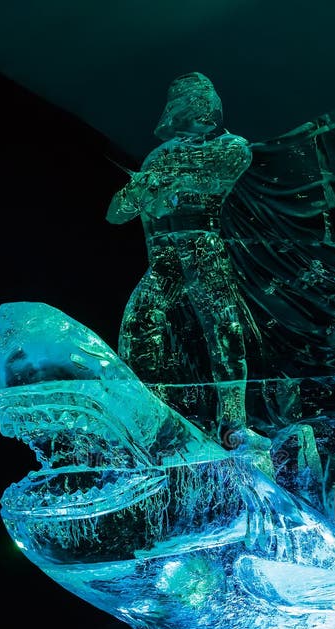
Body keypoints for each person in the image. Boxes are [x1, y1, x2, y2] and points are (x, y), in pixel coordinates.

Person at [106, 72, 268, 454]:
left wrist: (166, 181)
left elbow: (216, 172)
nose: (205, 106)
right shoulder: (159, 156)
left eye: (207, 99)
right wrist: (137, 189)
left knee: (224, 331)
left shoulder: (232, 145)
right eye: (196, 100)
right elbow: (116, 213)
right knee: (139, 323)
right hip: (165, 260)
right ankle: (151, 413)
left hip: (204, 252)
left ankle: (234, 423)